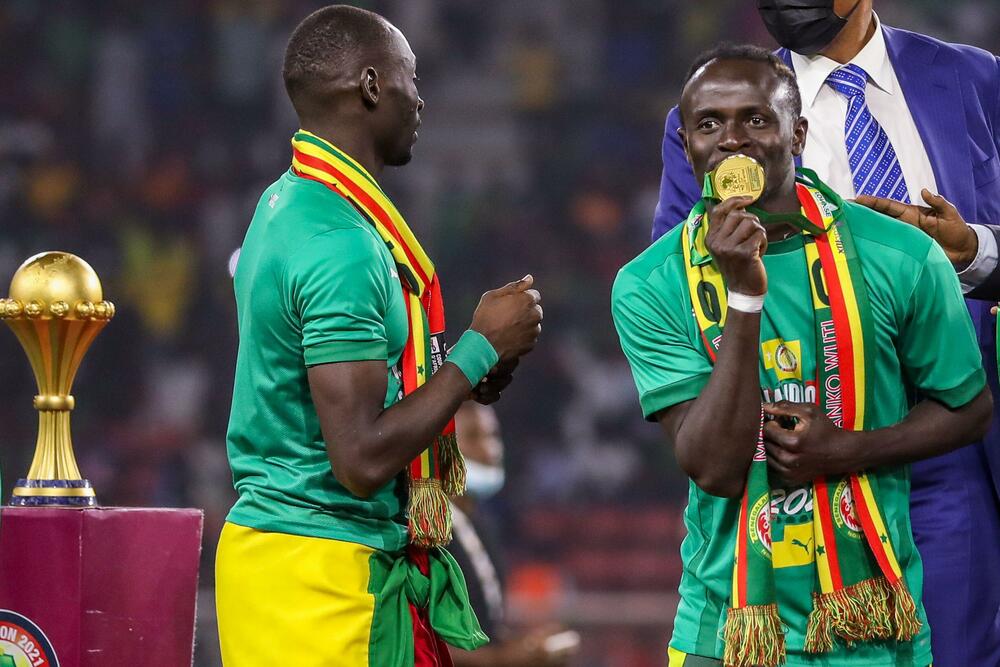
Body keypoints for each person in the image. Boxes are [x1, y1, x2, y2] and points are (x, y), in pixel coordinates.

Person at [613, 44, 992, 666]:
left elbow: (969, 408)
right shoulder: (649, 284)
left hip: (876, 632)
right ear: (687, 147)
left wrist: (848, 450)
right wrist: (743, 296)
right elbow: (714, 468)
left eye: (756, 119)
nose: (733, 140)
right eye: (709, 124)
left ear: (798, 134)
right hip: (726, 635)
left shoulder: (900, 254)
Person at [215, 6, 543, 666]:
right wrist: (478, 346)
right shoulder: (341, 241)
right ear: (371, 85)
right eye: (410, 78)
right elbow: (360, 460)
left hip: (281, 560)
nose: (419, 99)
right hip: (325, 578)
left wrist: (466, 374)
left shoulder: (287, 203)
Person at [447, 402, 577, 667]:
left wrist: (527, 647)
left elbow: (483, 628)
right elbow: (417, 639)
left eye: (493, 436)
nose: (492, 449)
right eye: (474, 436)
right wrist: (502, 659)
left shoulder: (480, 525)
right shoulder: (425, 528)